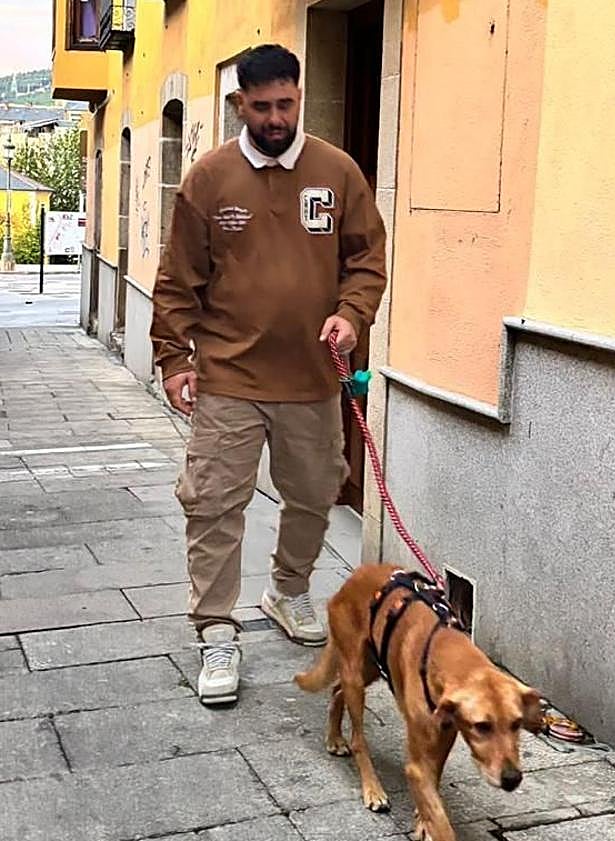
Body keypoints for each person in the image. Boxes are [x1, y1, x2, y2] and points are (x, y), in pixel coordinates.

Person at [150, 44, 387, 705]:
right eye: (262, 106)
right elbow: (176, 280)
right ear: (239, 105)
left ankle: (287, 590)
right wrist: (173, 357)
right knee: (213, 503)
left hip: (313, 377)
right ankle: (216, 631)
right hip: (227, 374)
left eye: (287, 104)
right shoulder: (209, 178)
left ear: (299, 97)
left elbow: (367, 257)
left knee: (316, 493)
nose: (276, 117)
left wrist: (351, 313)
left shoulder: (337, 171)